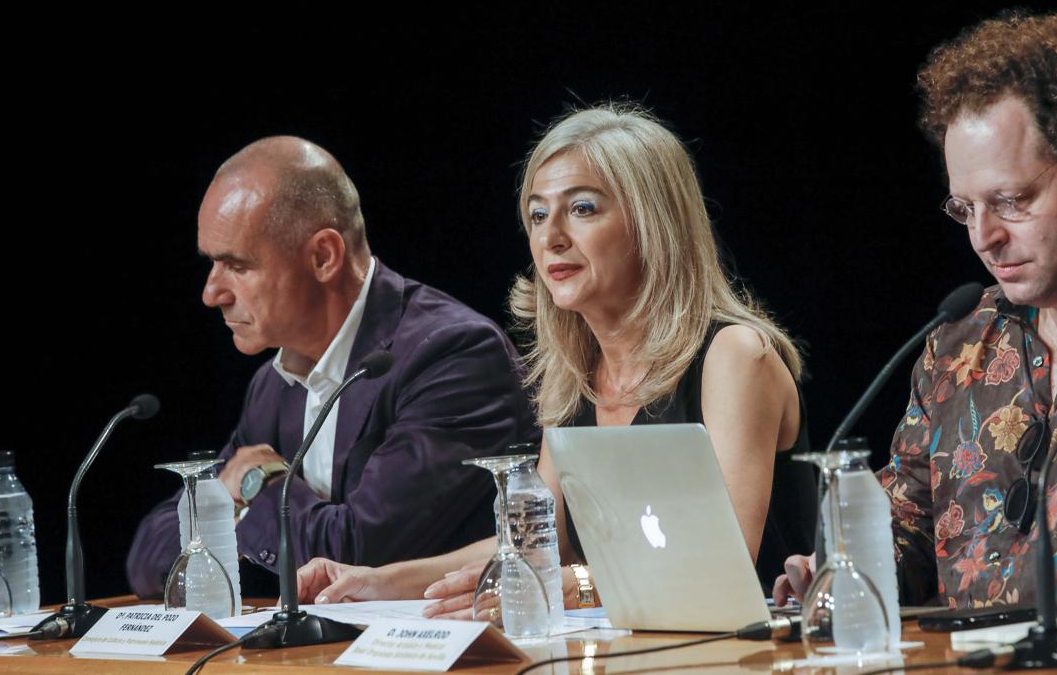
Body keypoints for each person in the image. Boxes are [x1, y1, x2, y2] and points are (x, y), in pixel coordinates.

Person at [295, 104, 818, 612]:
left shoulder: (734, 356)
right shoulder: (576, 379)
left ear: (653, 222)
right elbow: (537, 549)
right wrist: (379, 582)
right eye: (538, 214)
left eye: (583, 208)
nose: (551, 237)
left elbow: (721, 563)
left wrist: (581, 585)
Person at [775, 6, 1057, 613]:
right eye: (964, 209)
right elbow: (910, 521)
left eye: (1010, 201)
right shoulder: (960, 338)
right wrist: (842, 575)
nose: (984, 238)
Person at [126, 137, 538, 598]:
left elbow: (358, 554)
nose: (211, 293)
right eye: (212, 264)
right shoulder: (273, 385)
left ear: (323, 256)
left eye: (236, 266)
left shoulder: (452, 355)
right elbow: (150, 557)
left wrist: (253, 483)